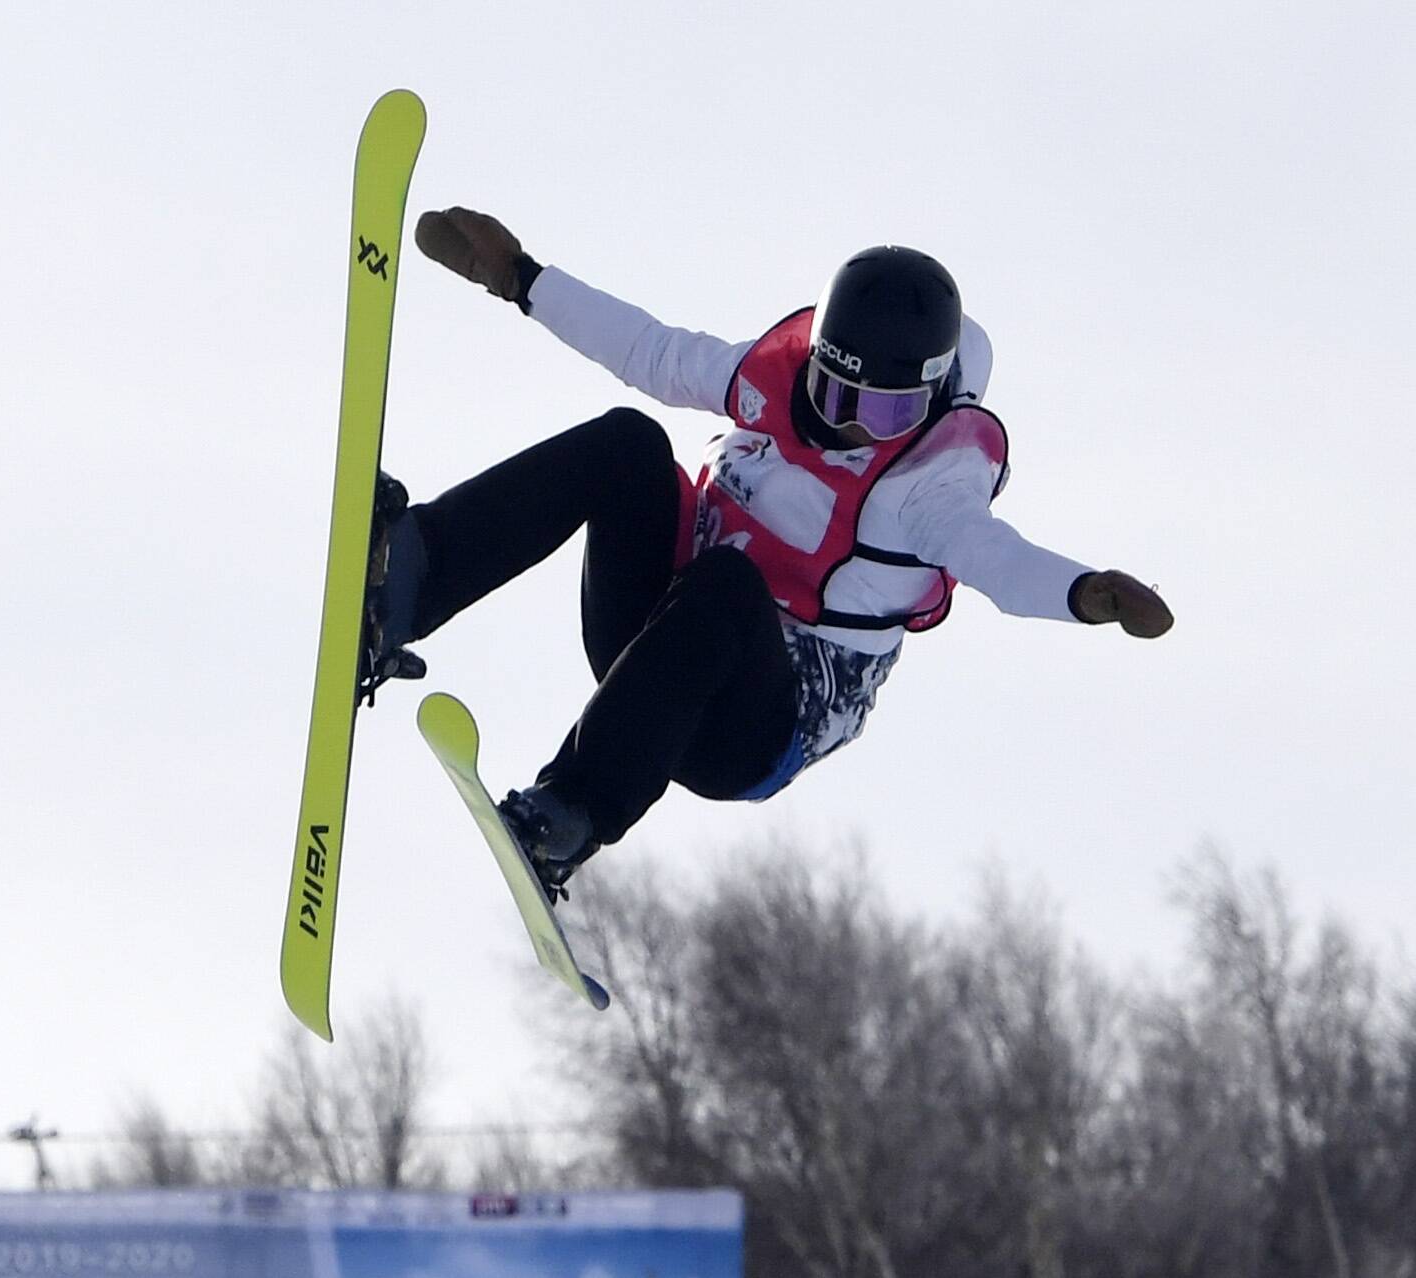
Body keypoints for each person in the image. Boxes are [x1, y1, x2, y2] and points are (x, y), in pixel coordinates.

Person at [361, 207, 1174, 897]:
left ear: (926, 405)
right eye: (834, 393)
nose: (851, 425)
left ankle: (567, 816)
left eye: (883, 415)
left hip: (748, 727)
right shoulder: (770, 381)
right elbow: (651, 350)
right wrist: (522, 279)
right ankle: (411, 578)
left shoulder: (926, 489)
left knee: (725, 583)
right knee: (628, 443)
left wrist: (1086, 592)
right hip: (655, 646)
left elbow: (999, 560)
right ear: (815, 360)